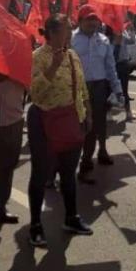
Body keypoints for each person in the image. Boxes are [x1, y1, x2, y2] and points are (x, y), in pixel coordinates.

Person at [28, 14, 93, 248]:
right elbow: (35, 93)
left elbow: (81, 87)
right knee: (40, 173)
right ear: (53, 32)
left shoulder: (73, 55)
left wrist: (86, 114)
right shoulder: (38, 57)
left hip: (70, 119)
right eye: (67, 29)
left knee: (68, 173)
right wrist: (53, 67)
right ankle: (35, 225)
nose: (70, 33)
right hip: (44, 121)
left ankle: (71, 218)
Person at [71, 4, 123, 183]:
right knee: (79, 128)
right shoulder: (70, 40)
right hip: (77, 89)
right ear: (80, 21)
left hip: (99, 87)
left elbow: (110, 67)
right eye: (89, 19)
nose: (93, 22)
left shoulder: (103, 40)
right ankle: (69, 166)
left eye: (95, 19)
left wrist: (118, 90)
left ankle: (92, 158)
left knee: (98, 126)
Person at [0, 71, 25, 225]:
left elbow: (31, 84)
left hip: (12, 116)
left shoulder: (22, 58)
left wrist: (15, 75)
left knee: (7, 165)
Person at [107, 23, 136, 122]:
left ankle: (128, 112)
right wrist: (116, 44)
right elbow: (111, 55)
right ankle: (108, 112)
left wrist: (131, 30)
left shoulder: (123, 34)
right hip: (112, 65)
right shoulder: (107, 38)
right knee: (110, 89)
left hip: (123, 64)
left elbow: (132, 41)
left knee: (124, 89)